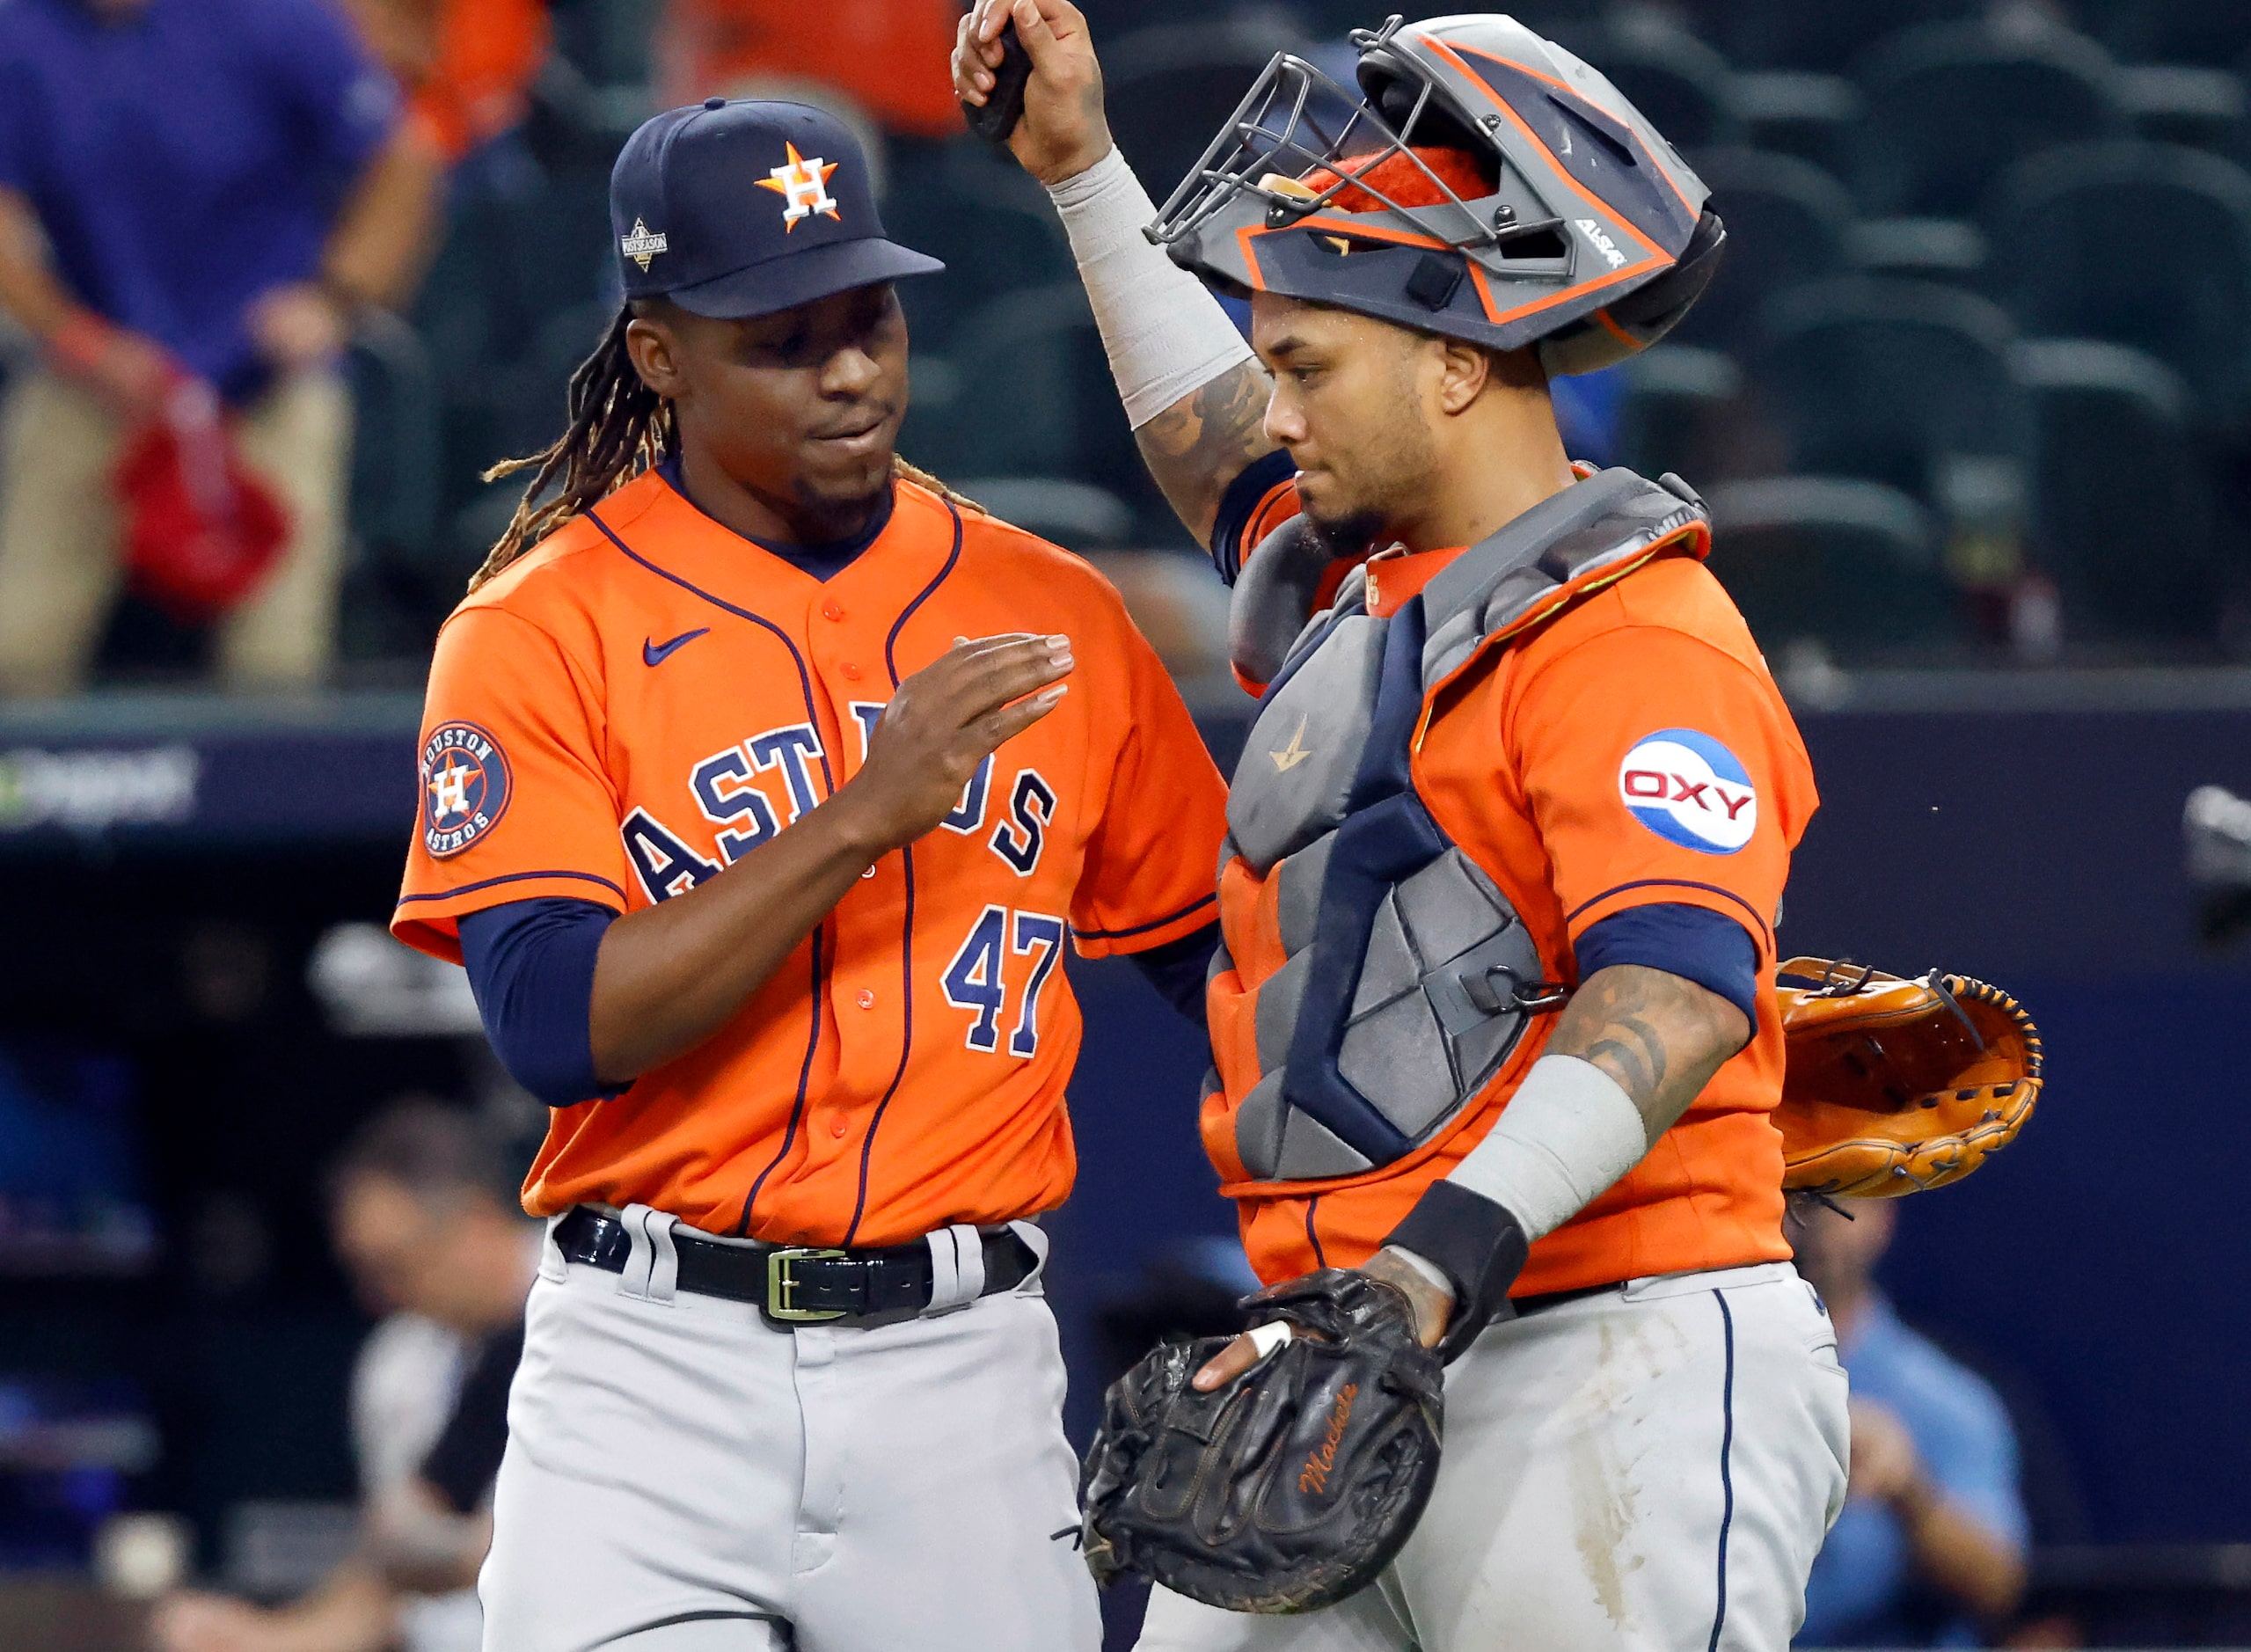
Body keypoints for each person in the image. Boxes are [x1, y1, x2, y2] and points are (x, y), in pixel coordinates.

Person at [960, 4, 1851, 1646]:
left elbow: (1663, 988)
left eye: (1303, 366)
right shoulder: (1367, 592)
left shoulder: (1630, 632)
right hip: (1352, 1339)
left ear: (1456, 362)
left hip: (1603, 1355)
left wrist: (1422, 1270)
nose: (1271, 408)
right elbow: (1210, 446)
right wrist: (1083, 173)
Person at [385, 96, 1229, 1651]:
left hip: (957, 1370)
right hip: (651, 1366)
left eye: (870, 320)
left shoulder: (1052, 610)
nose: (847, 371)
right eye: (781, 337)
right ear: (658, 353)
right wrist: (860, 812)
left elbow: (1219, 966)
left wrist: (1354, 1248)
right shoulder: (535, 629)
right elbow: (557, 1020)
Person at [0, 0, 439, 698]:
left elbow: (404, 154)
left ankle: (283, 803)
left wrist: (333, 300)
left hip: (263, 373)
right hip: (99, 374)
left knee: (277, 664)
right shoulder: (22, 29)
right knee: (19, 648)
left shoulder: (274, 17)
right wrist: (75, 338)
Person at [150, 1100, 538, 1652]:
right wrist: (264, 1640)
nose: (376, 1296)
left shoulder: (587, 1302)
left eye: (393, 1264)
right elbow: (401, 1560)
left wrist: (465, 1553)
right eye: (362, 1270)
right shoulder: (401, 1362)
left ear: (475, 1222)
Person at [1793, 1199, 2030, 1648]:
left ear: (1884, 1217)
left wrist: (1910, 1493)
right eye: (1798, 1195)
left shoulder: (1946, 1402)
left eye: (1841, 1194)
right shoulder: (1709, 1380)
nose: (1816, 1221)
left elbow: (2000, 1583)